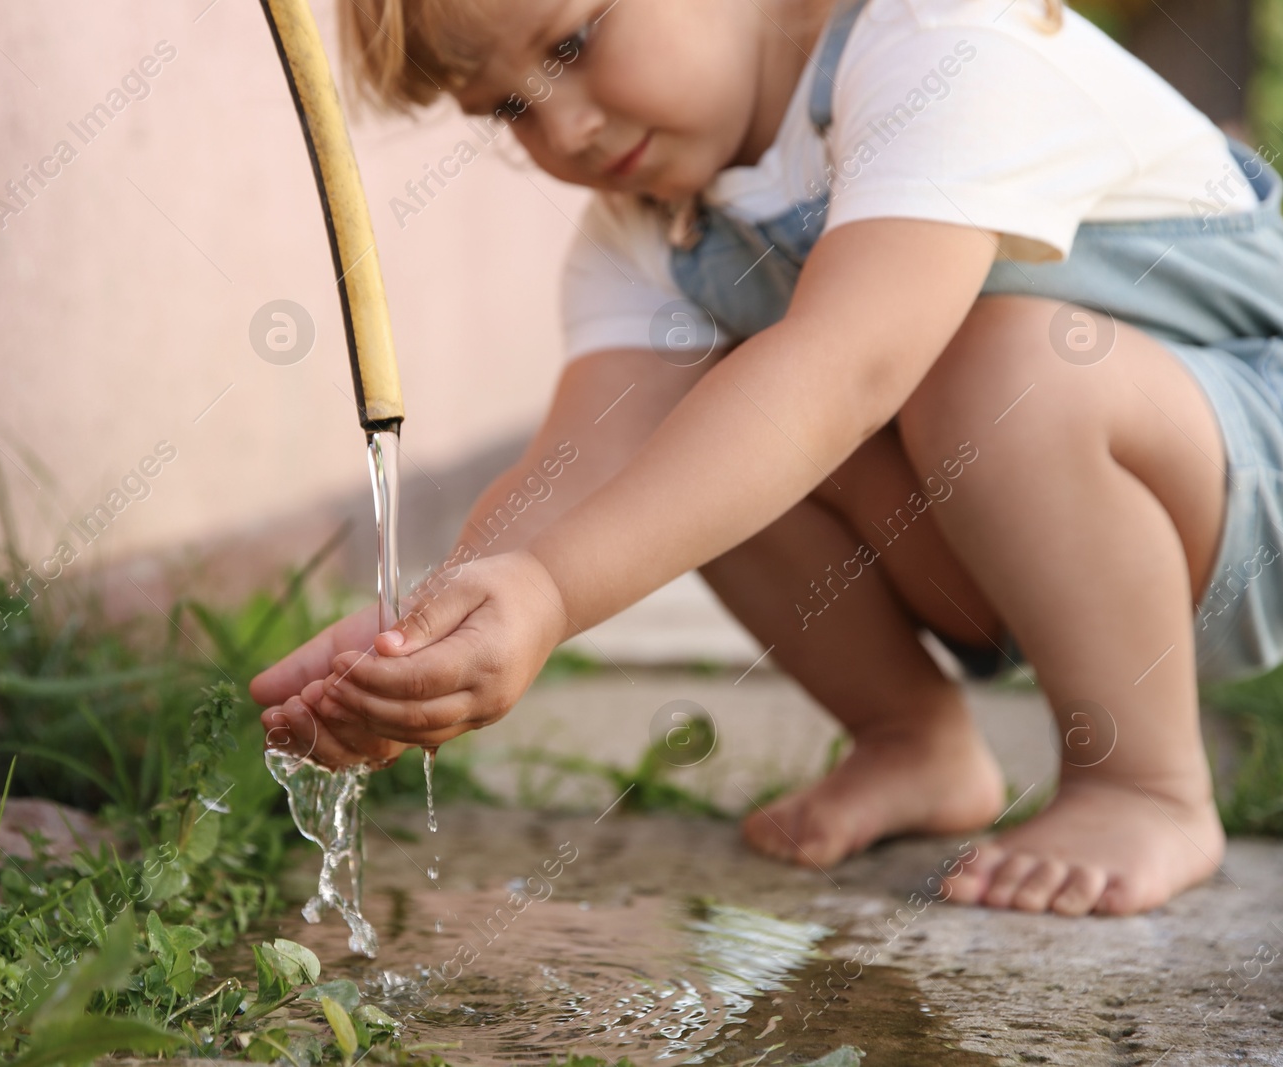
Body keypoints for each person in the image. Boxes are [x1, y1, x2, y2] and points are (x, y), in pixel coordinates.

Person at [252, 0, 1283, 916]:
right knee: (691, 437)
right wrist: (427, 624)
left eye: (571, 43)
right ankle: (910, 741)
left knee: (991, 364)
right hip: (1029, 539)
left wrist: (554, 594)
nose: (563, 128)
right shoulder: (651, 225)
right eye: (508, 111)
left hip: (1240, 479)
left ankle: (1142, 785)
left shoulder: (946, 46)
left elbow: (848, 367)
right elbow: (583, 463)